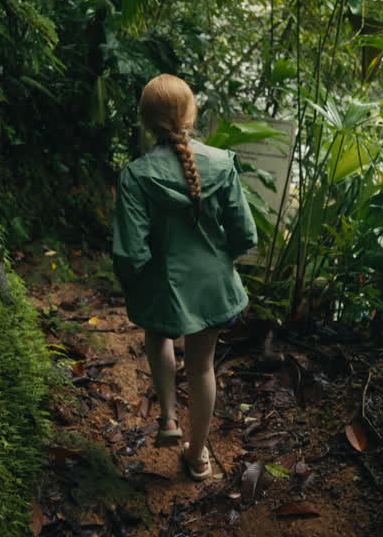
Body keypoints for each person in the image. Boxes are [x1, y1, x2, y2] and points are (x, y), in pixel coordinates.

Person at [112, 74, 258, 480]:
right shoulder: (222, 162)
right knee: (202, 367)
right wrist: (216, 262)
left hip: (162, 282)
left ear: (146, 121)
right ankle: (197, 456)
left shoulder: (137, 175)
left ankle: (169, 419)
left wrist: (135, 282)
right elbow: (245, 234)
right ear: (193, 114)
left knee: (158, 335)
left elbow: (130, 251)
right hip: (212, 287)